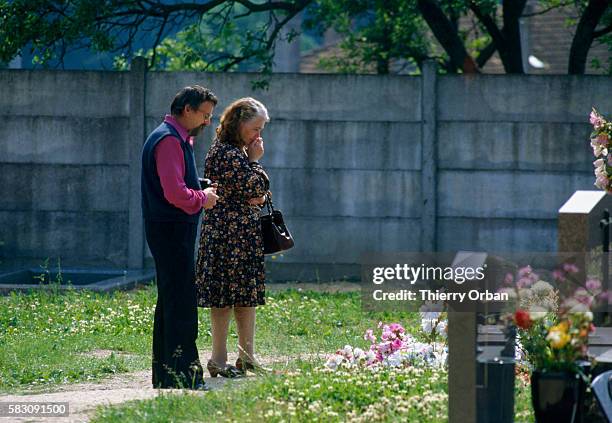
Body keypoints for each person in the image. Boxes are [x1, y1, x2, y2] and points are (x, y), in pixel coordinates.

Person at [141, 85, 219, 389]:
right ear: (187, 109)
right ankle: (184, 375)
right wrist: (202, 196)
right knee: (181, 304)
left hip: (167, 228)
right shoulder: (170, 140)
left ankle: (166, 376)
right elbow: (175, 193)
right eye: (204, 115)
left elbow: (171, 184)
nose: (206, 122)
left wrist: (197, 185)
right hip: (172, 229)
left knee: (171, 302)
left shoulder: (168, 136)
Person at [195, 97, 270, 378]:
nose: (258, 136)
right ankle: (218, 358)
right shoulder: (227, 153)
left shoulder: (236, 152)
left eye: (261, 129)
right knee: (224, 298)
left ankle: (247, 357)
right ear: (238, 124)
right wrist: (254, 163)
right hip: (227, 236)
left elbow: (259, 193)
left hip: (242, 236)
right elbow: (255, 185)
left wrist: (256, 191)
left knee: (245, 297)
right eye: (254, 129)